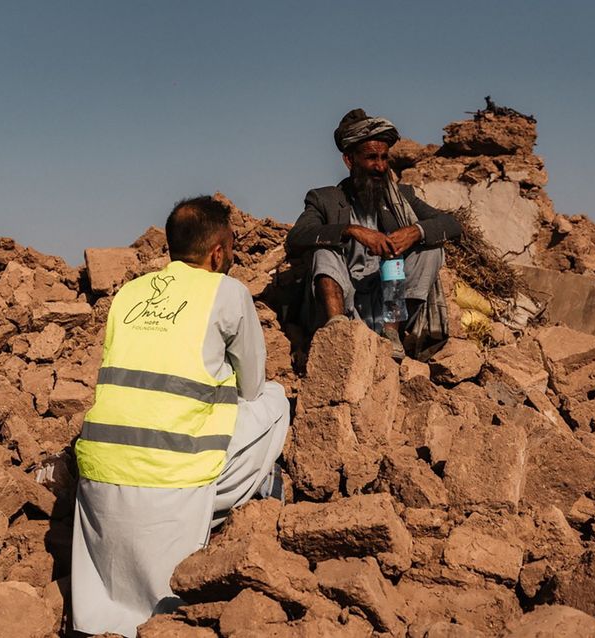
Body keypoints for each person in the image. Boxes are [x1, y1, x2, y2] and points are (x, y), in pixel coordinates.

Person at [71, 196, 290, 637]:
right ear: (217, 252)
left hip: (99, 474)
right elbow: (251, 386)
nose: (234, 255)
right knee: (275, 398)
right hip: (174, 479)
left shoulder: (129, 293)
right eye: (231, 246)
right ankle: (258, 498)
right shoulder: (228, 292)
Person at [285, 108, 462, 358]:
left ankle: (392, 336)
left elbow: (452, 224)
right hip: (341, 301)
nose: (380, 167)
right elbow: (297, 237)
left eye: (384, 158)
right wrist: (352, 231)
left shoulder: (402, 198)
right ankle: (339, 336)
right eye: (371, 158)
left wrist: (415, 231)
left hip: (387, 302)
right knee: (323, 249)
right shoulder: (324, 199)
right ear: (349, 160)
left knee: (429, 250)